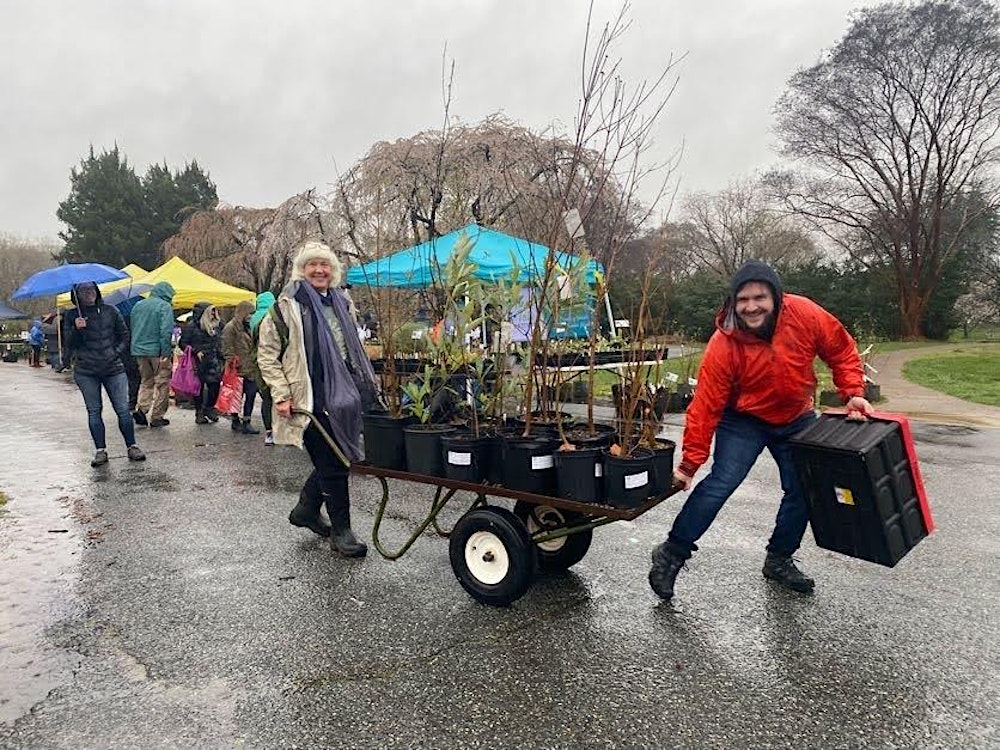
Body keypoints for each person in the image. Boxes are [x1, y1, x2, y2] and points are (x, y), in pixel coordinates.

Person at [648, 260, 873, 601]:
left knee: (803, 489)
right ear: (733, 302)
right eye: (743, 299)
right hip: (743, 421)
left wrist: (853, 393)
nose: (751, 306)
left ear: (776, 297)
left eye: (759, 297)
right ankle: (672, 552)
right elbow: (705, 406)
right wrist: (689, 465)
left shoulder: (805, 315)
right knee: (722, 482)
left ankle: (779, 559)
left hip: (796, 416)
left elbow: (840, 349)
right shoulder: (724, 344)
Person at [257, 241, 378, 557]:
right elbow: (267, 355)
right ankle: (342, 532)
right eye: (312, 264)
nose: (319, 270)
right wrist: (281, 395)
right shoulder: (286, 307)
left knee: (337, 457)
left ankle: (307, 510)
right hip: (308, 393)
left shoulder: (343, 303)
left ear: (333, 270)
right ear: (302, 269)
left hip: (343, 393)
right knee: (335, 461)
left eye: (325, 265)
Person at [61, 282, 146, 467]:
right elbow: (69, 344)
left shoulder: (110, 310)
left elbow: (124, 335)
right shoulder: (71, 315)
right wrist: (77, 329)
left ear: (97, 291)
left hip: (113, 367)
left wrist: (115, 352)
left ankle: (132, 446)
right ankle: (101, 450)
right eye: (84, 291)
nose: (89, 293)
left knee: (123, 410)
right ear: (77, 295)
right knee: (94, 411)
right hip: (86, 370)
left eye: (91, 289)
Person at [129, 281, 176, 428]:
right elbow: (166, 331)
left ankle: (142, 409)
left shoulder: (138, 305)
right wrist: (166, 353)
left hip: (138, 350)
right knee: (162, 383)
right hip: (157, 351)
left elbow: (133, 327)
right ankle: (157, 416)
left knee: (146, 380)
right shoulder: (164, 306)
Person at [179, 302, 224, 424]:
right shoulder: (191, 327)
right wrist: (195, 350)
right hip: (197, 361)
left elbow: (221, 341)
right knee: (197, 388)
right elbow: (182, 343)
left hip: (213, 360)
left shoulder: (217, 325)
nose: (214, 314)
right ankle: (199, 412)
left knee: (215, 386)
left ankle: (209, 408)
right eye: (211, 311)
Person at [221, 300, 261, 435]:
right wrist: (231, 361)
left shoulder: (248, 327)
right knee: (236, 396)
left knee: (250, 394)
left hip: (250, 367)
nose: (251, 316)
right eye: (250, 313)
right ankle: (235, 420)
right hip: (237, 368)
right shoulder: (231, 328)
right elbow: (227, 347)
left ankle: (246, 421)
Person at [248, 291, 277, 446]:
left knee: (266, 399)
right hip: (275, 362)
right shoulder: (274, 316)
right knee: (279, 396)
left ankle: (269, 432)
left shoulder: (252, 318)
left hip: (258, 363)